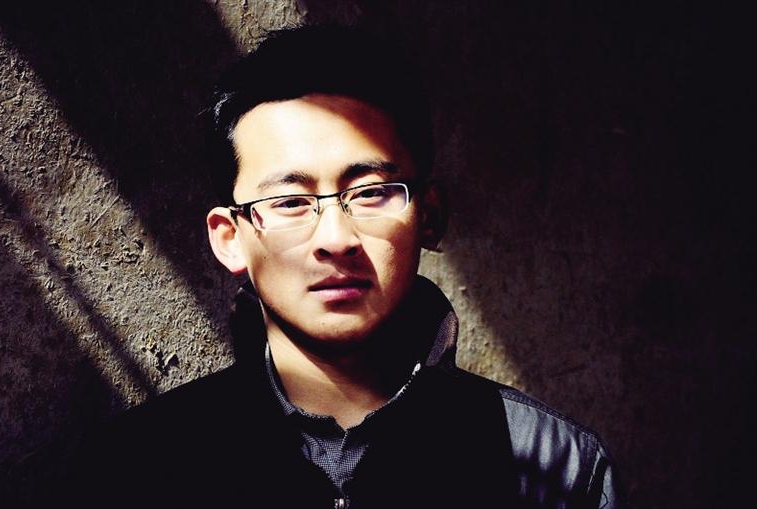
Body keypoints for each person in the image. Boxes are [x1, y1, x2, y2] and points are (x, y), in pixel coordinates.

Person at [57, 26, 625, 508]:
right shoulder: (136, 470)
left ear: (429, 217)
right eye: (289, 202)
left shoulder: (555, 468)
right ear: (230, 239)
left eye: (372, 192)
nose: (335, 239)